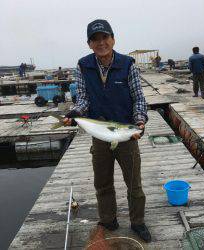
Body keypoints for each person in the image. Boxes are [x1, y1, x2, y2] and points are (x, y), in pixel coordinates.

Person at [63, 19, 151, 242]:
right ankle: (109, 219)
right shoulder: (84, 65)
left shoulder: (128, 64)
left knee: (134, 184)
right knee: (102, 183)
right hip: (100, 135)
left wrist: (139, 121)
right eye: (95, 39)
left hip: (127, 134)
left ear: (113, 39)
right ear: (89, 43)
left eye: (105, 37)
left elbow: (138, 98)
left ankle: (137, 222)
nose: (101, 43)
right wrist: (75, 113)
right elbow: (82, 98)